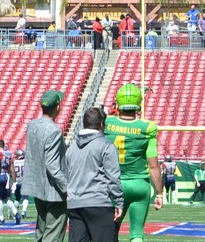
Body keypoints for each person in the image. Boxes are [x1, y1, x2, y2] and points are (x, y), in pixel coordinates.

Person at [104, 83, 163, 242]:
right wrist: (159, 193)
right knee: (137, 234)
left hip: (114, 184)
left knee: (110, 233)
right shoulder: (147, 127)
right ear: (138, 105)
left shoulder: (107, 123)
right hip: (139, 184)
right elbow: (153, 165)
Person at [66, 107, 122, 242]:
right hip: (99, 203)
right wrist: (119, 202)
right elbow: (113, 178)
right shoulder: (105, 145)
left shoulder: (71, 147)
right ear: (101, 124)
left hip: (75, 204)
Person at [26, 90, 68, 242]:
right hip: (54, 191)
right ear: (57, 107)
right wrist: (67, 188)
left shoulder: (32, 125)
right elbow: (52, 165)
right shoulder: (54, 130)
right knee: (53, 234)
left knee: (41, 231)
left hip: (38, 187)